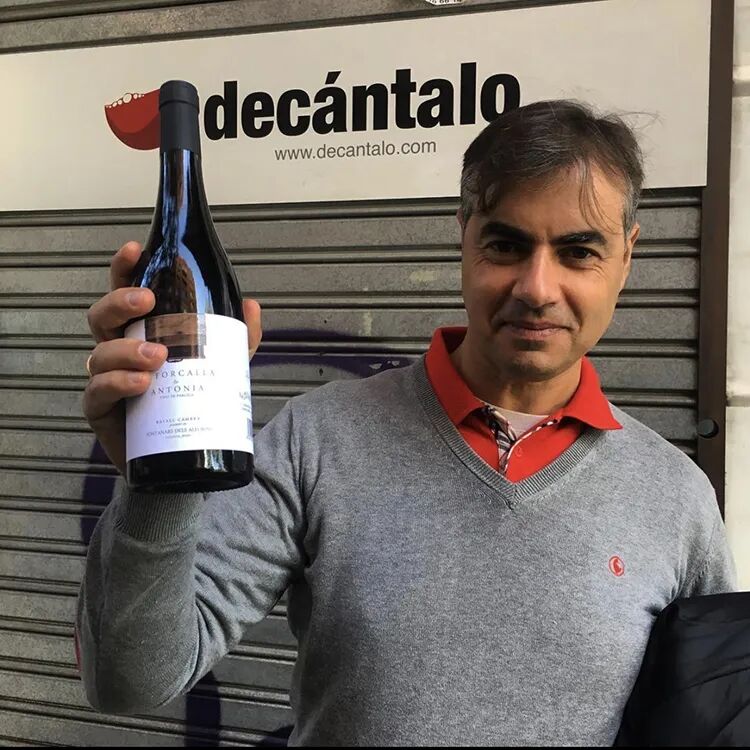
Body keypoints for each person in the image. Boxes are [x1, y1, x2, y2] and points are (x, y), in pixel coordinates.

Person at [77, 100, 737, 746]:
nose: (537, 287)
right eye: (506, 245)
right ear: (464, 237)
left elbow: (718, 719)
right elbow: (129, 682)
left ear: (627, 256)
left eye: (578, 252)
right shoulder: (317, 442)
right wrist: (156, 478)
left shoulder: (676, 497)